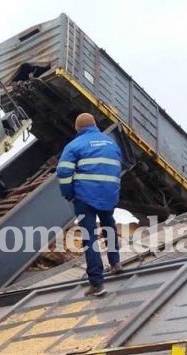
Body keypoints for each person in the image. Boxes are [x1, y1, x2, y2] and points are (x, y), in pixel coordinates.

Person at [56, 113, 124, 297]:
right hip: (109, 195)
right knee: (109, 225)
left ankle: (97, 283)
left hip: (85, 197)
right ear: (94, 125)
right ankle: (116, 263)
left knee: (90, 237)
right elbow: (118, 167)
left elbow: (63, 171)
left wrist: (68, 193)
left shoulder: (75, 145)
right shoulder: (112, 144)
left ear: (78, 128)